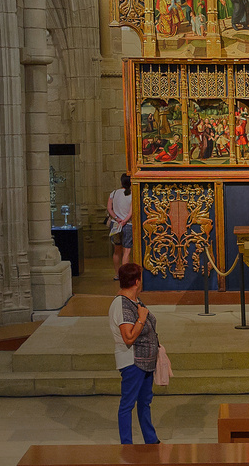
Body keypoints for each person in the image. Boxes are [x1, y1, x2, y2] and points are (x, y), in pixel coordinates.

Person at [110, 262, 161, 445]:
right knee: (127, 404)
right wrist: (141, 318)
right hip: (132, 362)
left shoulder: (134, 301)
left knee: (145, 402)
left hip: (145, 361)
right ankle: (126, 445)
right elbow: (128, 338)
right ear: (137, 281)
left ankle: (151, 440)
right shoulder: (121, 305)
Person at [107, 175, 133, 268]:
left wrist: (117, 218)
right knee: (127, 251)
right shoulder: (132, 193)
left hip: (115, 224)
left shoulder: (113, 193)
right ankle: (124, 275)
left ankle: (117, 274)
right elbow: (131, 211)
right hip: (128, 224)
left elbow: (109, 208)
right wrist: (124, 221)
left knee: (117, 250)